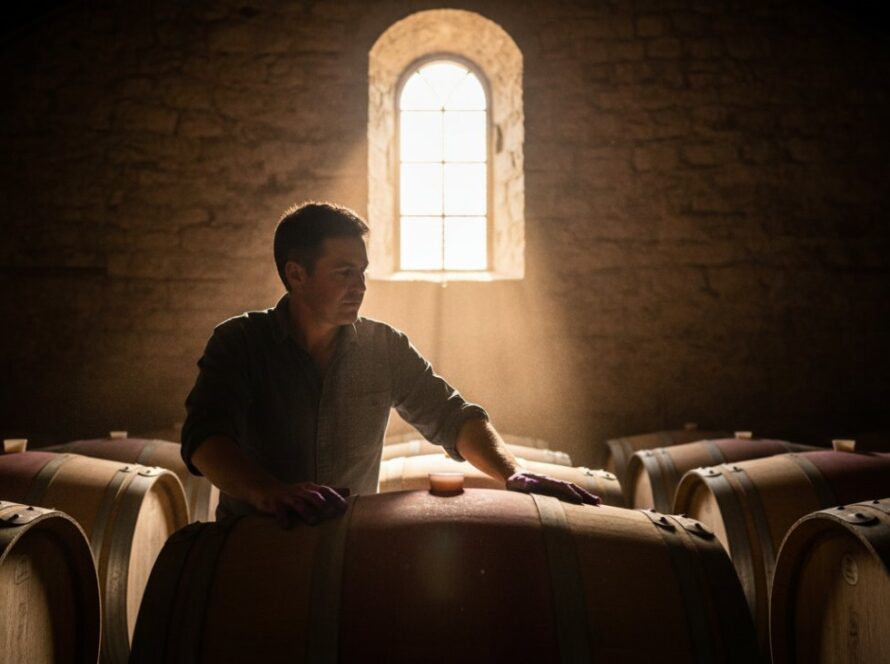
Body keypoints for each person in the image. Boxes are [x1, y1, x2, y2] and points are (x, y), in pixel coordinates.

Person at [182, 201, 600, 525]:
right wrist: (270, 493)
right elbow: (205, 438)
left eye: (362, 272)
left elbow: (452, 416)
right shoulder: (240, 343)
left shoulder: (383, 347)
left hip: (347, 548)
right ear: (296, 274)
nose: (360, 286)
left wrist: (512, 473)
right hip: (256, 546)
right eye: (344, 273)